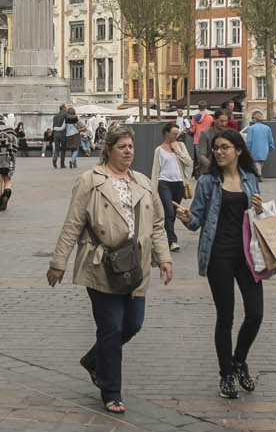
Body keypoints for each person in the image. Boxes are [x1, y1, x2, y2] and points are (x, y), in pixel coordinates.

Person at [47, 125, 173, 415]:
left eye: (131, 146)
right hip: (101, 263)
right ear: (109, 150)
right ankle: (111, 390)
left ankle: (94, 360)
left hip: (136, 265)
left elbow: (156, 224)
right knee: (112, 328)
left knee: (133, 324)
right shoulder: (90, 181)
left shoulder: (143, 182)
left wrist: (163, 257)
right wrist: (58, 263)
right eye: (122, 147)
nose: (129, 151)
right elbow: (73, 224)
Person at [175, 128, 266, 399]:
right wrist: (186, 217)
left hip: (248, 256)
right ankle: (226, 373)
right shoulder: (207, 182)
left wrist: (260, 211)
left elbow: (259, 219)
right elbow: (197, 221)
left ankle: (239, 360)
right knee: (225, 317)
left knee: (255, 313)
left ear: (238, 150)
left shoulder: (251, 179)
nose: (219, 152)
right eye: (216, 148)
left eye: (225, 147)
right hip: (219, 256)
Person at [154, 123, 189, 253]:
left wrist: (177, 150)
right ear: (166, 133)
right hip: (164, 183)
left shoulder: (181, 146)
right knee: (169, 211)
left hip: (179, 183)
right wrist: (153, 189)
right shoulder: (159, 150)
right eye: (174, 133)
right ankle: (172, 240)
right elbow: (155, 170)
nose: (176, 136)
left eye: (177, 133)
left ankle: (165, 236)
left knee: (173, 213)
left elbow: (188, 162)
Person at [0, 115, 20, 211]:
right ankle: (6, 195)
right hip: (8, 158)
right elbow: (16, 145)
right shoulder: (11, 130)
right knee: (7, 179)